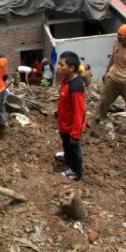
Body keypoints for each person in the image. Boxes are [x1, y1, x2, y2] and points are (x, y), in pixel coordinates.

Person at [55, 51, 86, 180]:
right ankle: (67, 157)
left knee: (75, 149)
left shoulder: (76, 87)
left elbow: (79, 112)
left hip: (72, 127)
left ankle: (76, 171)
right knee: (66, 144)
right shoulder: (65, 81)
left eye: (61, 65)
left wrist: (75, 133)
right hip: (64, 123)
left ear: (71, 68)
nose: (58, 67)